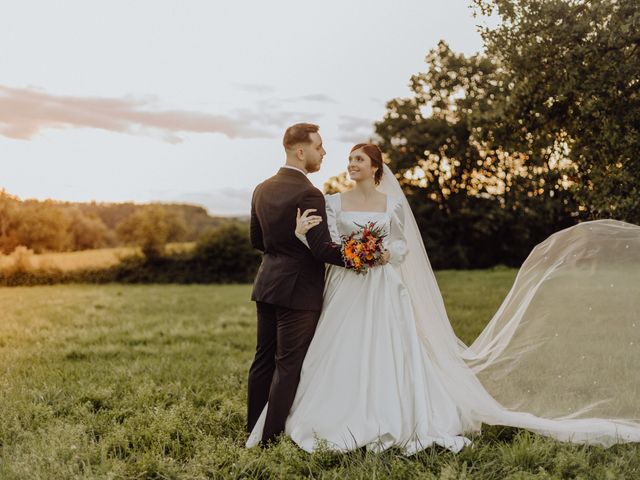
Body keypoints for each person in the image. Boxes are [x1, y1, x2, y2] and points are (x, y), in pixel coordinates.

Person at [246, 143, 640, 453]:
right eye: (349, 159)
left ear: (376, 168)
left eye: (358, 159)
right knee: (336, 349)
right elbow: (324, 245)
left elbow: (401, 248)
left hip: (383, 287)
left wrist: (381, 254)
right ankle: (323, 413)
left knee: (390, 350)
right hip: (347, 287)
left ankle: (391, 412)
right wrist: (312, 239)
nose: (350, 165)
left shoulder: (393, 205)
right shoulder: (332, 202)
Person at [247, 125, 383, 446]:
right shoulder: (309, 194)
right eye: (319, 147)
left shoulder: (261, 189)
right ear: (300, 151)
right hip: (299, 291)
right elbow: (322, 250)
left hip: (267, 284)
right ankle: (269, 439)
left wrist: (289, 242)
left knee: (263, 359)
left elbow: (257, 240)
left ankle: (252, 428)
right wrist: (362, 254)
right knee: (289, 365)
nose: (323, 153)